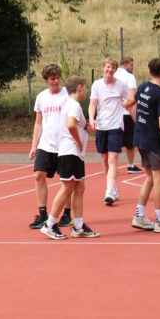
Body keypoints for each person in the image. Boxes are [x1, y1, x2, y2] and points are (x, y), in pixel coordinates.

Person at [41, 77, 99, 239]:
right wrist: (78, 142)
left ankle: (78, 226)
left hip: (75, 153)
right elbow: (71, 124)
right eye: (85, 88)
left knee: (79, 187)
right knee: (67, 188)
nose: (86, 91)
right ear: (79, 87)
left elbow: (77, 124)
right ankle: (50, 224)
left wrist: (88, 127)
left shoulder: (70, 104)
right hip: (70, 151)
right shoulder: (73, 104)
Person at [131, 57, 160, 233]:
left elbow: (133, 101)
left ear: (149, 71)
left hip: (141, 139)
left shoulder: (143, 86)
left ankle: (139, 215)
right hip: (153, 141)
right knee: (159, 181)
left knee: (150, 178)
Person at [28, 64, 72, 229]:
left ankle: (66, 214)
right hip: (46, 144)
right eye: (52, 78)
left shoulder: (67, 95)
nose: (55, 81)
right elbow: (38, 123)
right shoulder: (41, 97)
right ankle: (42, 214)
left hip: (64, 144)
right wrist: (34, 145)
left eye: (58, 78)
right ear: (47, 79)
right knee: (39, 175)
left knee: (66, 180)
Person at [88, 58, 133, 205]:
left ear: (116, 69)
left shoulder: (121, 85)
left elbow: (130, 102)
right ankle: (112, 187)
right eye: (108, 67)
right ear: (103, 68)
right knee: (105, 158)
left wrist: (137, 121)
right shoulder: (97, 85)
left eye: (113, 67)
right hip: (101, 126)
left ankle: (108, 191)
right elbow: (92, 104)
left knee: (113, 158)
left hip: (116, 126)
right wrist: (91, 118)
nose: (110, 70)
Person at [114, 56, 141, 173]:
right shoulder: (129, 77)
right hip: (126, 112)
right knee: (130, 142)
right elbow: (132, 97)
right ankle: (130, 165)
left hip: (114, 114)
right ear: (125, 65)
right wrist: (135, 117)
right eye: (131, 65)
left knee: (115, 141)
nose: (132, 67)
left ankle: (113, 167)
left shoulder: (112, 76)